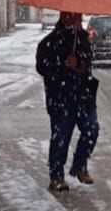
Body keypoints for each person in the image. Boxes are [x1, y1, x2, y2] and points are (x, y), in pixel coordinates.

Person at [36, 12, 100, 192]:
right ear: (65, 18)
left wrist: (79, 63)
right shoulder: (50, 41)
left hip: (83, 97)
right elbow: (42, 67)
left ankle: (79, 165)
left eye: (80, 18)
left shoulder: (82, 39)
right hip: (61, 97)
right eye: (75, 18)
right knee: (61, 137)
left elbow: (88, 63)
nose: (79, 21)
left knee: (91, 130)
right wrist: (64, 65)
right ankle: (56, 176)